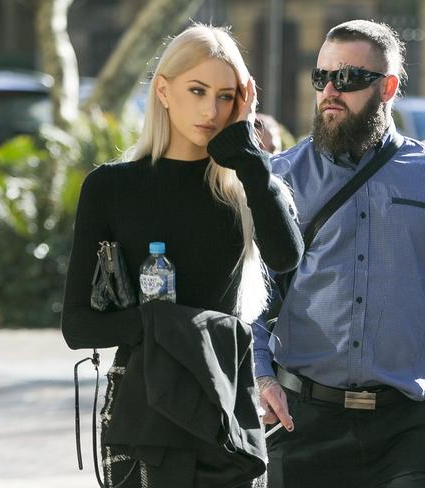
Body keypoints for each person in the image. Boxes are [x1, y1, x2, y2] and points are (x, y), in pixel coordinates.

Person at [252, 19, 425, 488]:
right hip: (302, 417)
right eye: (321, 77)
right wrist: (261, 376)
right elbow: (248, 296)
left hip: (406, 423)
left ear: (387, 86)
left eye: (348, 78)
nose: (330, 90)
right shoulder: (279, 180)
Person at [61, 23, 303, 488]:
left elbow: (286, 256)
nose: (211, 110)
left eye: (226, 96)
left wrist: (248, 155)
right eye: (197, 90)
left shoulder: (246, 187)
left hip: (224, 403)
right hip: (142, 410)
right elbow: (77, 326)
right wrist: (172, 327)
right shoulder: (112, 187)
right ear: (164, 91)